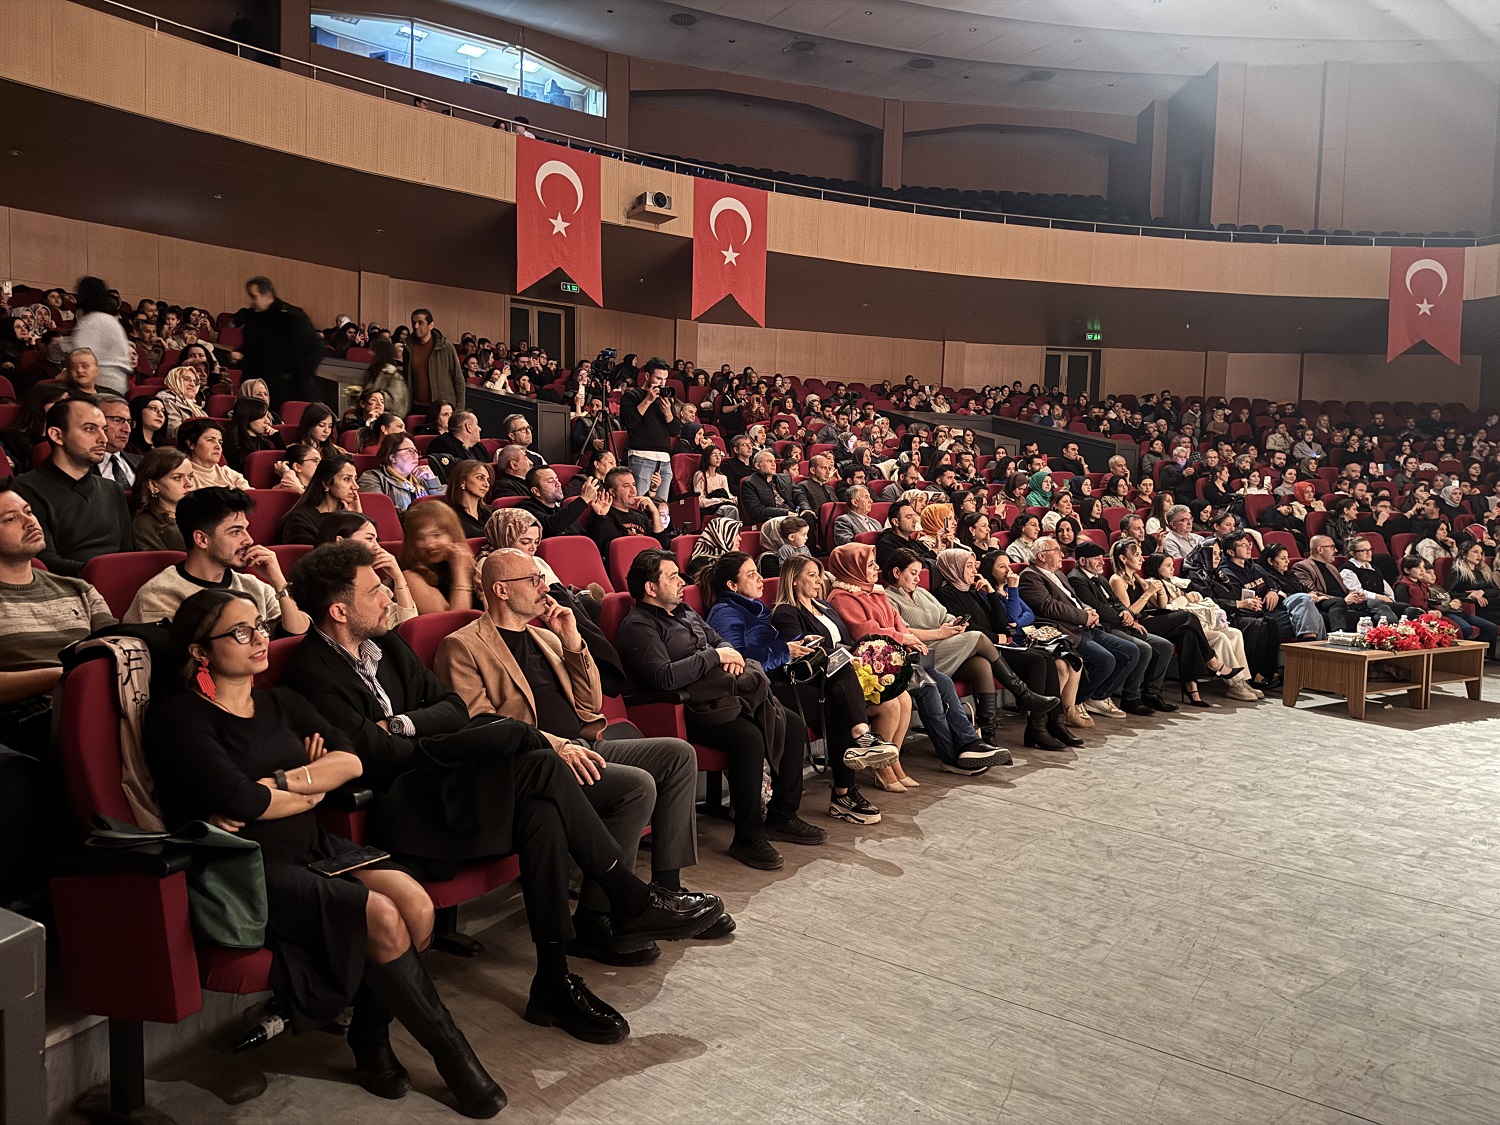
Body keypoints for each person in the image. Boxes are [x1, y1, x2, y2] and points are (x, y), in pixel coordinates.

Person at [282, 543, 722, 1046]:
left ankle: (553, 979)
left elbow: (446, 709)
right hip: (409, 810)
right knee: (530, 751)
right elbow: (372, 756)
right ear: (340, 610)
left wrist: (403, 726)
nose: (389, 597)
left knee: (541, 808)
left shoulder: (387, 645)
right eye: (375, 589)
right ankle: (627, 897)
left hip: (450, 784)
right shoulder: (311, 673)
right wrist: (426, 739)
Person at [145, 589, 506, 1115]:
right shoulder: (182, 717)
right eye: (239, 632)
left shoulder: (279, 701)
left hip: (314, 844)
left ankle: (369, 1033)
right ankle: (454, 1057)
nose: (259, 639)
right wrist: (307, 789)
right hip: (248, 864)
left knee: (417, 904)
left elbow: (352, 759)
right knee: (381, 916)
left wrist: (286, 785)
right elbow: (243, 802)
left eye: (260, 627)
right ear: (201, 652)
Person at [437, 548, 733, 964]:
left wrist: (573, 641)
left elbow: (592, 702)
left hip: (587, 744)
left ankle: (665, 889)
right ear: (501, 590)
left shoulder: (544, 634)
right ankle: (597, 917)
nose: (545, 587)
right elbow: (483, 725)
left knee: (676, 755)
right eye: (534, 580)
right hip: (540, 764)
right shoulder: (462, 646)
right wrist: (556, 746)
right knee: (636, 784)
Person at [618, 549, 824, 871]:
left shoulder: (685, 611)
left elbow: (720, 642)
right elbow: (665, 677)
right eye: (672, 576)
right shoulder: (638, 626)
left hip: (725, 693)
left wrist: (726, 655)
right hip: (687, 709)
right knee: (749, 738)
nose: (681, 581)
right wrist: (715, 658)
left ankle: (783, 815)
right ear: (650, 588)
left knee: (792, 723)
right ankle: (748, 835)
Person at [824, 544, 1002, 780]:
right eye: (870, 564)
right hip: (875, 667)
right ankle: (950, 755)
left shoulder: (874, 591)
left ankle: (970, 743)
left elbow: (897, 623)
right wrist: (905, 637)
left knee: (944, 682)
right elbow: (865, 631)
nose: (876, 568)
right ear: (852, 567)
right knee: (928, 689)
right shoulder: (842, 597)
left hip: (900, 658)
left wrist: (907, 639)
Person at [770, 555, 917, 823]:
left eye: (819, 574)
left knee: (877, 695)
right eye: (812, 575)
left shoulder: (825, 607)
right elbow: (803, 654)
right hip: (807, 684)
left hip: (839, 682)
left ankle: (846, 791)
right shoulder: (785, 612)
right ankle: (847, 783)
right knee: (842, 711)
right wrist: (841, 655)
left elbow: (848, 642)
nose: (818, 581)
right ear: (793, 579)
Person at [886, 546, 1060, 745]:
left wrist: (954, 623)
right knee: (978, 637)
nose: (918, 578)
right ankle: (1022, 693)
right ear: (897, 572)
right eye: (913, 573)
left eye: (919, 573)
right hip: (926, 651)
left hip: (948, 643)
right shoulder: (889, 597)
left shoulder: (922, 593)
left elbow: (945, 615)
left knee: (982, 665)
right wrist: (940, 633)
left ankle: (989, 737)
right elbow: (903, 632)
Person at [0, 482, 117, 757]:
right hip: (22, 721)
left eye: (28, 511)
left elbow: (117, 646)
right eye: (10, 519)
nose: (29, 522)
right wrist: (63, 677)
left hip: (92, 702)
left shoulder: (78, 588)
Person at [125, 487, 310, 634]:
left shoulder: (255, 586)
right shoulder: (159, 596)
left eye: (246, 529)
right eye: (235, 532)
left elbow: (299, 631)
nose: (249, 540)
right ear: (202, 540)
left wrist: (278, 581)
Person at [1018, 536, 1141, 727]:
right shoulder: (1030, 576)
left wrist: (1088, 609)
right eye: (1056, 550)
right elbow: (1048, 607)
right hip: (1068, 630)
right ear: (1042, 556)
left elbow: (1073, 599)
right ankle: (1075, 703)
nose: (1061, 554)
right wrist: (1084, 617)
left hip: (1086, 626)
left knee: (1131, 651)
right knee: (1105, 660)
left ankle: (1096, 697)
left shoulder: (1058, 574)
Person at [14, 396, 134, 574]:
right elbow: (44, 561)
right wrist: (104, 573)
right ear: (57, 435)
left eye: (104, 429)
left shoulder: (112, 489)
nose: (103, 439)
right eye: (89, 429)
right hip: (64, 589)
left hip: (118, 583)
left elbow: (128, 553)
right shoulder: (24, 489)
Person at [1067, 541, 1173, 714]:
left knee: (1164, 646)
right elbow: (1097, 608)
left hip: (1122, 624)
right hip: (1107, 626)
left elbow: (1116, 602)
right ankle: (1127, 696)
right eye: (1096, 559)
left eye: (1102, 558)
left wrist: (1128, 615)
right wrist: (1123, 618)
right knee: (1143, 649)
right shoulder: (1076, 578)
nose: (1102, 562)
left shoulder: (1099, 577)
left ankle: (1151, 693)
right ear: (1083, 561)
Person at [312, 512, 418, 629]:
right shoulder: (320, 587)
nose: (377, 547)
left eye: (376, 540)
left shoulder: (374, 583)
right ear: (340, 541)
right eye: (369, 539)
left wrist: (398, 578)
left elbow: (408, 627)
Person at [1217, 531, 1326, 641]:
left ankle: (1310, 648)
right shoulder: (1226, 574)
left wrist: (1272, 591)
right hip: (1261, 614)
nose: (1249, 548)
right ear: (1231, 552)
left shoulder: (1255, 567)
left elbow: (1273, 584)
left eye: (1248, 544)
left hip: (1277, 606)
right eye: (1243, 545)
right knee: (1316, 617)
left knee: (1304, 598)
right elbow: (1237, 601)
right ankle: (1310, 648)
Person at [236, 277, 325, 407]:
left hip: (295, 387)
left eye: (254, 297)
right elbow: (251, 350)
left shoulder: (292, 317)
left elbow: (315, 348)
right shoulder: (253, 320)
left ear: (266, 295)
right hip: (264, 388)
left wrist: (304, 374)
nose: (252, 302)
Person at [399, 501, 480, 614]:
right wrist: (460, 573)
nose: (430, 544)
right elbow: (453, 622)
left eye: (437, 535)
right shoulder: (411, 577)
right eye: (420, 538)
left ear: (453, 534)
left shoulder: (468, 561)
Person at [1396, 555, 1498, 644]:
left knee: (1457, 630)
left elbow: (1427, 603)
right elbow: (1405, 609)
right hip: (1416, 618)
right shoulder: (1402, 586)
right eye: (1418, 568)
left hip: (1429, 614)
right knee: (1456, 629)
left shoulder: (1421, 584)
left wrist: (1433, 610)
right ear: (1407, 570)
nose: (1422, 570)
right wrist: (1429, 612)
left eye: (1423, 567)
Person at [620, 359, 679, 504]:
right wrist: (648, 400)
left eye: (665, 379)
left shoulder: (665, 400)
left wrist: (668, 413)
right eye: (658, 378)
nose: (662, 383)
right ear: (647, 376)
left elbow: (675, 430)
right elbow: (628, 421)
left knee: (661, 507)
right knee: (640, 504)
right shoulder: (632, 396)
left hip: (664, 460)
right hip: (641, 457)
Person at [586, 466, 669, 558]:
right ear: (612, 492)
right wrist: (601, 517)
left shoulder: (640, 516)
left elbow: (662, 547)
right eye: (626, 486)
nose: (633, 490)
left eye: (633, 484)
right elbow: (609, 549)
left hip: (647, 565)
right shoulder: (603, 514)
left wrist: (655, 511)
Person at [282, 457, 363, 545]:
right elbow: (314, 555)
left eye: (355, 479)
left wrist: (358, 518)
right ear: (326, 483)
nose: (356, 486)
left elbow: (373, 548)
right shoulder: (300, 519)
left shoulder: (350, 513)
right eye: (347, 479)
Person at [130, 447, 195, 551]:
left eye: (190, 477)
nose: (189, 484)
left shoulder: (198, 514)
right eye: (177, 478)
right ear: (153, 485)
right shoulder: (145, 524)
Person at [358, 433, 443, 513]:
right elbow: (380, 511)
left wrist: (433, 481)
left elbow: (444, 508)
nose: (416, 456)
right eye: (410, 451)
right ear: (392, 457)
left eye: (416, 451)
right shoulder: (373, 478)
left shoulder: (420, 479)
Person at [402, 309, 464, 411]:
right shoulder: (408, 348)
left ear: (431, 325)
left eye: (420, 323)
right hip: (416, 406)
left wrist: (459, 409)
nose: (416, 326)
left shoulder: (445, 346)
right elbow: (407, 378)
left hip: (442, 407)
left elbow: (458, 378)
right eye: (414, 322)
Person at [1338, 536, 1404, 626]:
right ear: (1352, 553)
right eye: (1364, 551)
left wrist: (1390, 599)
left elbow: (1387, 590)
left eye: (1370, 549)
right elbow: (1358, 593)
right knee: (1378, 603)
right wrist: (1381, 597)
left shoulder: (1374, 569)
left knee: (1407, 609)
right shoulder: (1348, 570)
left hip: (1380, 602)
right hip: (1362, 604)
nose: (1369, 553)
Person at [1445, 541, 1500, 626]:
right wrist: (1470, 595)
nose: (1479, 555)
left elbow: (1495, 590)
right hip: (1474, 607)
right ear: (1464, 554)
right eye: (1475, 552)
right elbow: (1448, 593)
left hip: (1488, 604)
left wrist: (1482, 592)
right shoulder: (1458, 572)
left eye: (1481, 553)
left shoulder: (1482, 572)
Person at [426, 411, 488, 481]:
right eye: (477, 424)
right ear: (469, 427)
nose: (480, 429)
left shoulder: (479, 447)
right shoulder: (441, 444)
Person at [361, 337, 409, 422]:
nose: (369, 352)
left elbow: (397, 404)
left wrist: (375, 397)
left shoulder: (393, 375)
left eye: (372, 350)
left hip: (388, 419)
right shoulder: (374, 371)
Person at [444, 459, 493, 539]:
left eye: (488, 480)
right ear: (463, 481)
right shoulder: (448, 517)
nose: (487, 484)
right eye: (480, 478)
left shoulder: (491, 513)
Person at [691, 445, 740, 524]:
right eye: (714, 455)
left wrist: (735, 499)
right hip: (710, 507)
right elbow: (700, 501)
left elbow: (728, 495)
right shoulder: (700, 475)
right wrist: (720, 500)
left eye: (720, 455)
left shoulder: (722, 477)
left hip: (723, 504)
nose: (718, 458)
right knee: (731, 509)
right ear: (707, 457)